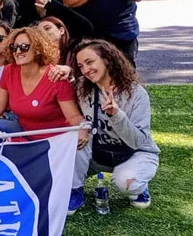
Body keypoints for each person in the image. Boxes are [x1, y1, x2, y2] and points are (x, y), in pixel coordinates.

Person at [0, 27, 89, 145]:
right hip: (24, 132)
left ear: (38, 48)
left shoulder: (56, 75)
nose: (18, 51)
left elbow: (73, 117)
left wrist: (83, 128)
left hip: (55, 139)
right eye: (14, 47)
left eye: (24, 47)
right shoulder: (9, 70)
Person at [67, 39, 159, 214]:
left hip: (133, 152)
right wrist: (65, 71)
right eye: (81, 66)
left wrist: (116, 115)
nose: (85, 70)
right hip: (98, 151)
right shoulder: (81, 88)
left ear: (107, 59)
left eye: (90, 62)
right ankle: (74, 189)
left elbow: (138, 141)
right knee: (73, 138)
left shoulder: (136, 94)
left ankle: (138, 187)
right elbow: (62, 87)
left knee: (126, 183)